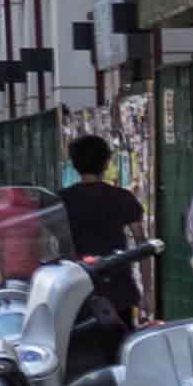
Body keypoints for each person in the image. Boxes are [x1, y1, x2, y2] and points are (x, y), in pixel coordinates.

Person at [51, 132, 148, 323]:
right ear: (105, 163)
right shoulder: (123, 198)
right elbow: (141, 246)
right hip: (119, 292)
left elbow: (49, 248)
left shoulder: (60, 201)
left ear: (75, 164)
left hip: (76, 292)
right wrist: (147, 291)